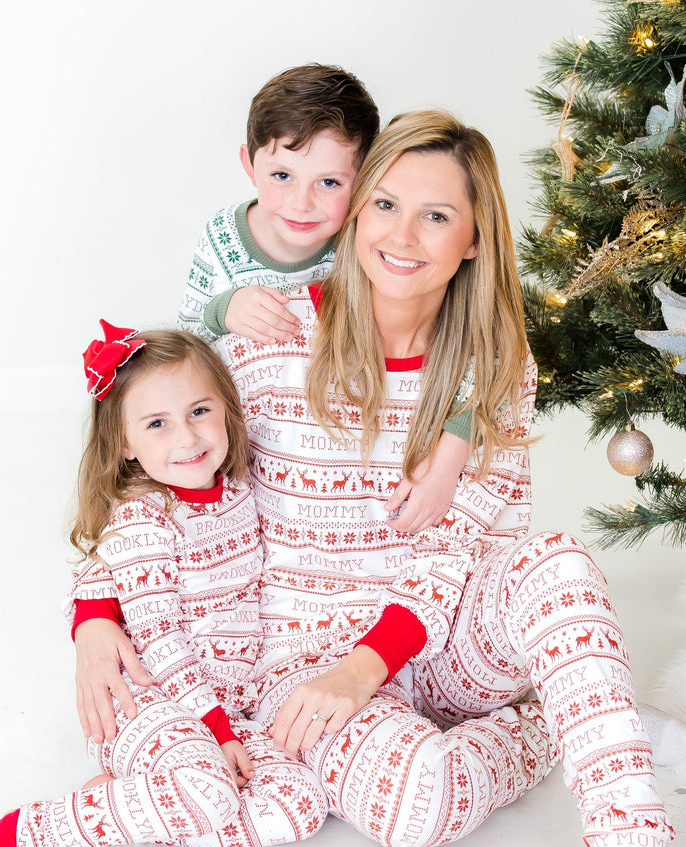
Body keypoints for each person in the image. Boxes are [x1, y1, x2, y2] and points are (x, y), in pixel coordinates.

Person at [75, 111, 686, 847]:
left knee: (556, 562)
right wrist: (96, 609)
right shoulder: (268, 342)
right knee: (419, 809)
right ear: (353, 214)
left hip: (442, 636)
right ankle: (570, 717)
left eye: (435, 216)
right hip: (304, 662)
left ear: (473, 241)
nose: (399, 233)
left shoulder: (495, 371)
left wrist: (373, 664)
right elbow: (162, 465)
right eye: (383, 203)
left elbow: (456, 550)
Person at [0, 324, 328, 847]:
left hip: (227, 705)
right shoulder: (144, 520)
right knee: (210, 796)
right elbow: (162, 643)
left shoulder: (240, 493)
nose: (188, 437)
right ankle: (16, 837)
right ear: (123, 443)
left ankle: (134, 804)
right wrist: (217, 731)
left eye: (199, 410)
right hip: (148, 700)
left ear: (227, 408)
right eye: (157, 424)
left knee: (301, 805)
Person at [178, 62, 471, 534]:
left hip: (340, 428)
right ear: (249, 164)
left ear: (364, 180)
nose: (301, 203)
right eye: (281, 176)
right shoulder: (222, 237)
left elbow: (465, 353)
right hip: (249, 430)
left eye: (329, 183)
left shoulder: (369, 242)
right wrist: (224, 308)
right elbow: (187, 338)